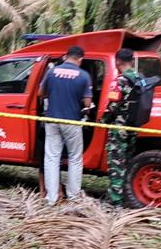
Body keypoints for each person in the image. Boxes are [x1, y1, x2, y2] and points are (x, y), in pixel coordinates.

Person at [40, 46, 93, 205]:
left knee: (51, 158)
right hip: (72, 121)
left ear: (66, 56)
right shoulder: (84, 76)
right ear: (80, 59)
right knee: (75, 158)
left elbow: (40, 93)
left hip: (52, 121)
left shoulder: (52, 72)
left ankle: (52, 198)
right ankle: (73, 196)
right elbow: (87, 103)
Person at [101, 48, 141, 206]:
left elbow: (113, 106)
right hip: (133, 126)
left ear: (118, 62)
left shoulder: (120, 81)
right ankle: (124, 195)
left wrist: (103, 119)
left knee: (116, 164)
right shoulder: (139, 78)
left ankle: (115, 202)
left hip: (119, 127)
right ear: (131, 61)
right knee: (127, 162)